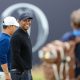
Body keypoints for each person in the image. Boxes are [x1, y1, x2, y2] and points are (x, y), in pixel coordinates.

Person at [10, 9, 33, 80]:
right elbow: (16, 55)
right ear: (18, 21)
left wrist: (27, 71)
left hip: (25, 71)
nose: (27, 22)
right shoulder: (17, 36)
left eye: (29, 20)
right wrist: (24, 69)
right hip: (19, 73)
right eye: (24, 20)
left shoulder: (25, 34)